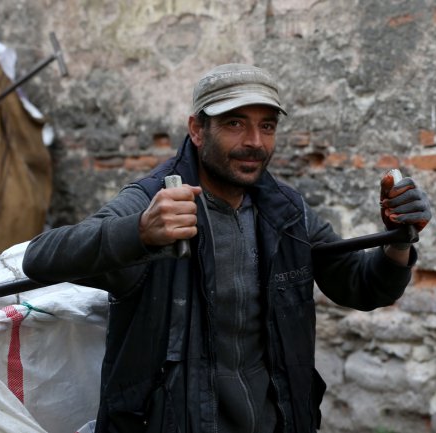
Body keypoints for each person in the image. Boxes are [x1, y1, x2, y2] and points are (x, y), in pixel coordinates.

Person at [22, 63, 432, 433]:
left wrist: (399, 241)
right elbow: (41, 257)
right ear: (198, 130)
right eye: (236, 123)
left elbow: (361, 287)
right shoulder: (156, 202)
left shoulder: (285, 213)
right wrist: (140, 233)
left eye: (267, 126)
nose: (255, 141)